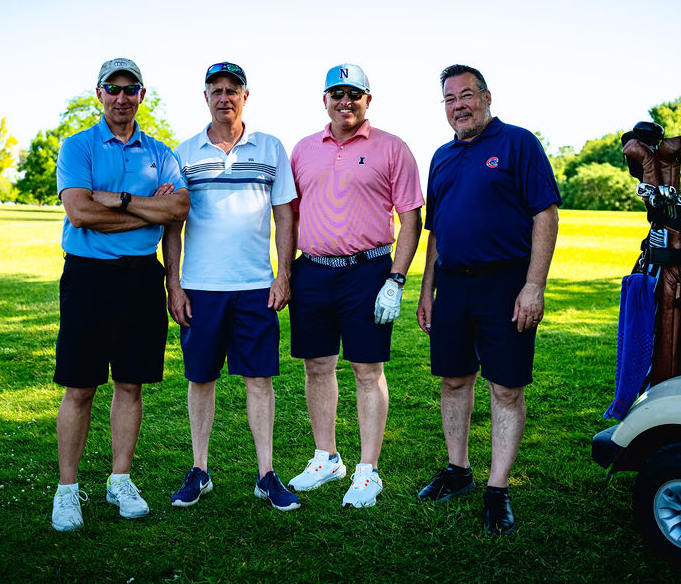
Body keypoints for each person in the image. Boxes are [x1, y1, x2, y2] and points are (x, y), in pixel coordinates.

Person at [415, 64, 560, 535]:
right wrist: (427, 290)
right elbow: (435, 231)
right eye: (449, 99)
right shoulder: (441, 157)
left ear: (486, 96)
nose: (458, 105)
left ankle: (498, 489)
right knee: (454, 380)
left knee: (506, 387)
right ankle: (458, 471)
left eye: (466, 95)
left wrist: (534, 285)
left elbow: (545, 214)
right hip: (452, 286)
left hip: (506, 283)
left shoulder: (518, 143)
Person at [50, 57, 190, 532]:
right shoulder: (78, 146)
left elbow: (179, 209)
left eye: (131, 89)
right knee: (80, 386)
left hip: (141, 278)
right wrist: (149, 211)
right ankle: (67, 490)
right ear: (99, 93)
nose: (122, 97)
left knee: (130, 383)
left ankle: (120, 480)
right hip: (88, 276)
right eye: (114, 88)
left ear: (142, 95)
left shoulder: (161, 154)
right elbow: (80, 213)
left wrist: (120, 200)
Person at [162, 62, 300, 511]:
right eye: (216, 90)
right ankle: (199, 470)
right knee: (201, 377)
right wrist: (174, 284)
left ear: (245, 96)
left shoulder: (270, 147)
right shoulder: (183, 153)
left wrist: (283, 274)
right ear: (205, 97)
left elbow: (285, 216)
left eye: (232, 90)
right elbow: (173, 224)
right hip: (200, 288)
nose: (224, 97)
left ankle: (266, 474)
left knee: (259, 379)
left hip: (256, 286)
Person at [287, 63, 423, 508]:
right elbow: (289, 214)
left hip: (368, 270)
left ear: (368, 99)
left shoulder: (392, 147)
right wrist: (286, 272)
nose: (345, 101)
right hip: (313, 270)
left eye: (354, 94)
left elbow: (410, 218)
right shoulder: (303, 149)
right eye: (337, 93)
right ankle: (326, 458)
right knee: (316, 366)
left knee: (367, 370)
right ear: (325, 99)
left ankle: (368, 469)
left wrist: (395, 279)